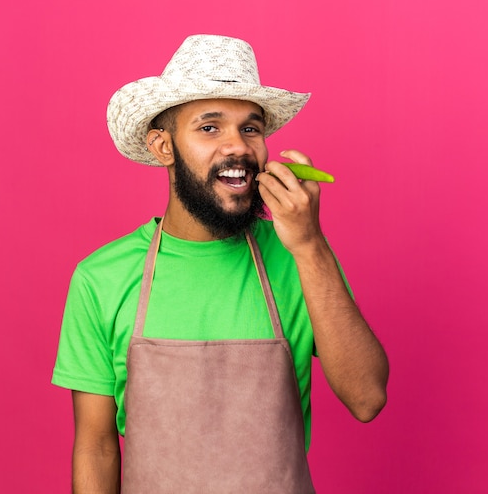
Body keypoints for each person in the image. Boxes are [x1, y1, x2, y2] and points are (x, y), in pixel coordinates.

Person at [52, 34, 389, 494]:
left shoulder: (300, 257)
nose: (238, 148)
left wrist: (311, 246)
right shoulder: (102, 278)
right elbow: (96, 445)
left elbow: (367, 398)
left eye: (251, 129)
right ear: (163, 146)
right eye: (210, 128)